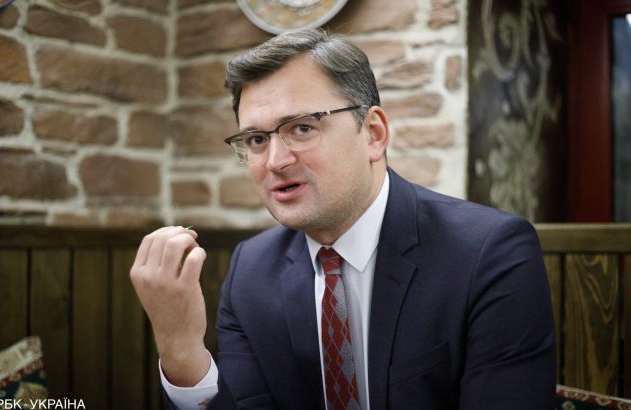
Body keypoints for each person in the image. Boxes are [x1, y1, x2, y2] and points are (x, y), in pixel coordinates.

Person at [130, 28, 556, 410]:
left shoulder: (489, 253)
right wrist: (181, 350)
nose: (275, 161)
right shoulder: (251, 270)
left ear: (373, 134)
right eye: (257, 139)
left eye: (301, 128)